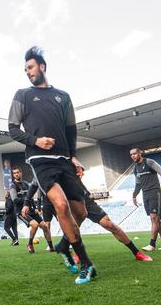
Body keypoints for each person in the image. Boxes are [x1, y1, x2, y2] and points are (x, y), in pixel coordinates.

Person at [8, 46, 96, 284]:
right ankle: (86, 264)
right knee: (61, 204)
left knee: (81, 212)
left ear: (42, 66)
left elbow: (71, 129)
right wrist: (35, 141)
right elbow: (12, 129)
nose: (28, 72)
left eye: (31, 67)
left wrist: (73, 156)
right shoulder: (22, 95)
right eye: (25, 69)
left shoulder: (63, 96)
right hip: (39, 160)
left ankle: (64, 246)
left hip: (64, 159)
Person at [76, 167, 152, 262]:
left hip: (83, 197)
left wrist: (78, 168)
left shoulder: (69, 160)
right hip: (67, 199)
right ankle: (77, 252)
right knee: (72, 227)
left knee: (109, 224)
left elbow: (77, 165)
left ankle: (136, 252)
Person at [130, 149, 161, 251]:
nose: (133, 156)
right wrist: (134, 195)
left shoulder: (149, 162)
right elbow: (138, 184)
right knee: (156, 219)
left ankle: (152, 245)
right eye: (131, 155)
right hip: (145, 194)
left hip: (155, 192)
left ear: (140, 153)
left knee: (154, 218)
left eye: (135, 154)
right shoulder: (135, 168)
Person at [10, 166, 51, 254]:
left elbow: (31, 198)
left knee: (45, 226)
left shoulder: (26, 184)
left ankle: (51, 247)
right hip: (21, 212)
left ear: (21, 173)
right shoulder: (13, 186)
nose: (16, 174)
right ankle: (30, 244)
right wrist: (26, 201)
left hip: (31, 210)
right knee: (35, 225)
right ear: (13, 175)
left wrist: (35, 208)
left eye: (18, 172)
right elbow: (15, 200)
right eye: (14, 173)